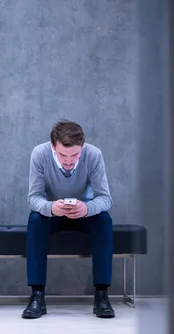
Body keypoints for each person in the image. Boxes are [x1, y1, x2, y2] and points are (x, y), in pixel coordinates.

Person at [22, 120, 115, 319]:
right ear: (53, 146)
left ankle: (102, 295)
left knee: (104, 220)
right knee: (35, 220)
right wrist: (51, 207)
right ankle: (37, 295)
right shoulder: (40, 154)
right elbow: (33, 198)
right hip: (54, 212)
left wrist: (87, 208)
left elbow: (105, 198)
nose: (69, 160)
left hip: (84, 213)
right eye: (63, 155)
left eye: (75, 155)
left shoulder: (93, 155)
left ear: (82, 147)